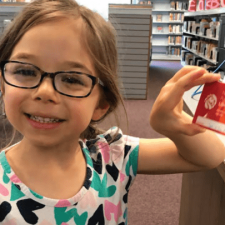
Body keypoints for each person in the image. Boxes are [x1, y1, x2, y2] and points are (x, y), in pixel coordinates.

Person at [0, 0, 224, 224]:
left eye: (71, 79)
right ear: (3, 83)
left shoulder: (112, 156)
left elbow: (211, 156)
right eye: (25, 71)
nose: (45, 92)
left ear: (101, 105)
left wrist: (172, 125)